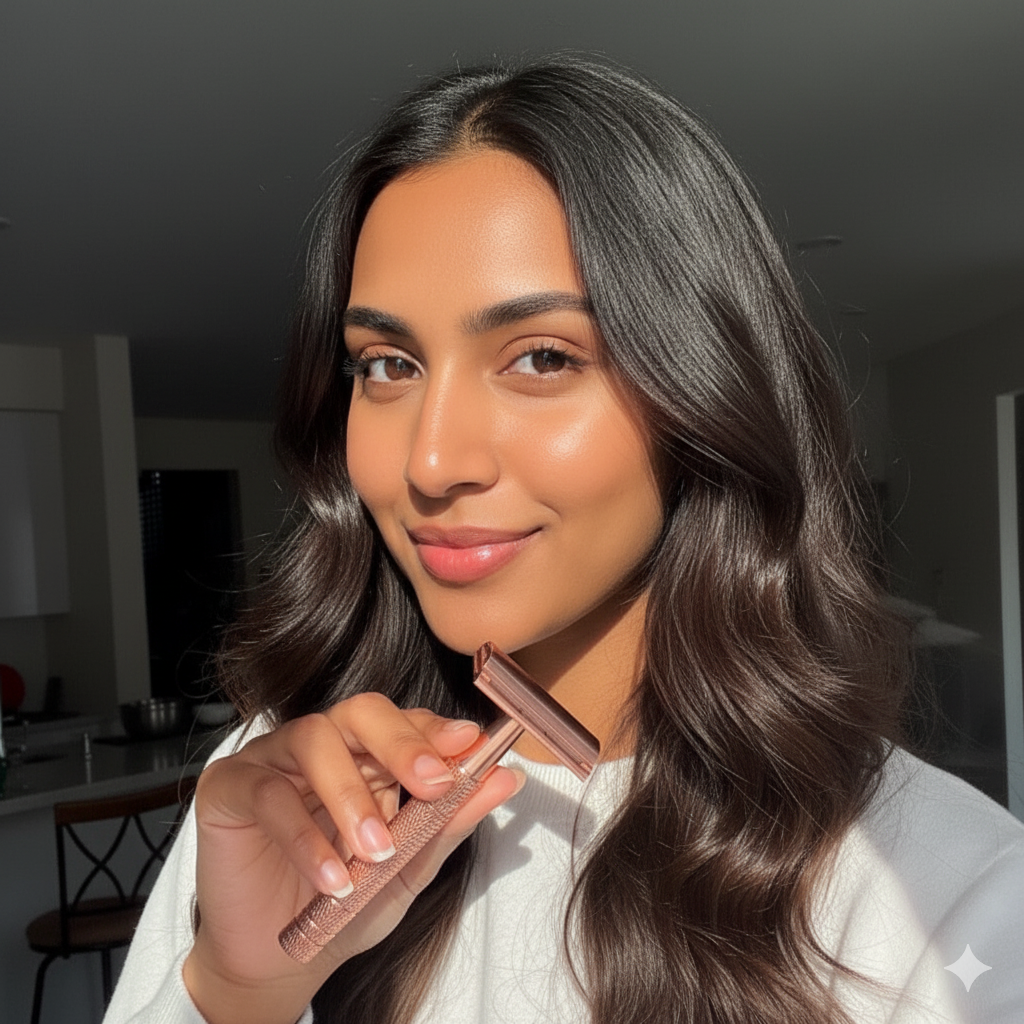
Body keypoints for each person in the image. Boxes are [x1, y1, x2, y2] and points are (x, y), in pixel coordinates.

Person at [104, 55, 1024, 1024]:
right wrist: (240, 992)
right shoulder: (283, 795)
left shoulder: (946, 893)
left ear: (704, 395)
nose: (430, 461)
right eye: (386, 364)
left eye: (541, 356)